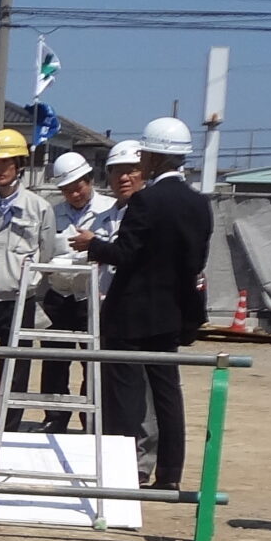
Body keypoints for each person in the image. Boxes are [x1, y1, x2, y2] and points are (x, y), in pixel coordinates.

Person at [90, 115, 209, 490]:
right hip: (171, 314)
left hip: (130, 315)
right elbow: (195, 264)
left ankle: (124, 472)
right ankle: (170, 475)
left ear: (155, 157)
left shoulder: (147, 201)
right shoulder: (198, 204)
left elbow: (124, 254)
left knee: (125, 397)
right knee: (167, 397)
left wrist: (91, 245)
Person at [0, 127, 50, 425]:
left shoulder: (39, 208)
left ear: (19, 164)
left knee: (16, 372)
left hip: (20, 302)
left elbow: (46, 254)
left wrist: (27, 283)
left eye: (5, 162)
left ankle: (8, 427)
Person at [38, 150, 116, 432]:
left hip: (91, 298)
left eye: (78, 186)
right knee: (54, 361)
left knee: (92, 362)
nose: (74, 194)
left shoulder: (109, 209)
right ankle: (55, 417)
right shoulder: (52, 213)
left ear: (89, 180)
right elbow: (45, 251)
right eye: (67, 189)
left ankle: (91, 419)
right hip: (59, 296)